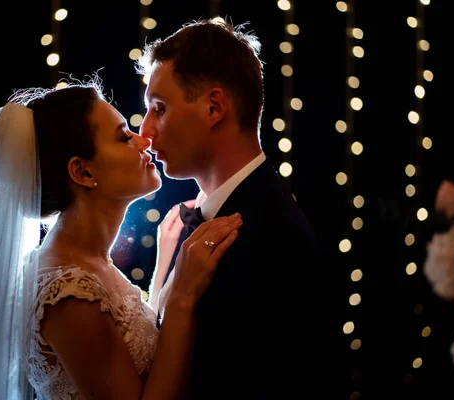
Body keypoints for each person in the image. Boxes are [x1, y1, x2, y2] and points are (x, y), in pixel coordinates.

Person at [0, 81, 243, 400]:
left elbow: (133, 346)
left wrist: (166, 261)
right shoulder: (68, 294)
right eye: (123, 137)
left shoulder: (82, 262)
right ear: (83, 172)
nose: (144, 139)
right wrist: (180, 299)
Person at [137, 19, 343, 398]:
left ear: (214, 107)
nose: (146, 131)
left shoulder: (273, 239)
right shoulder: (201, 218)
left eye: (159, 108)